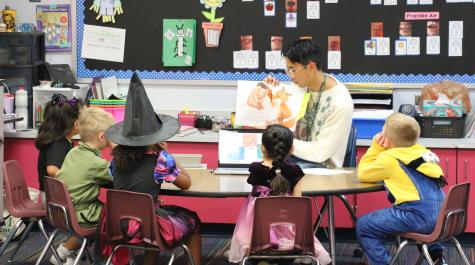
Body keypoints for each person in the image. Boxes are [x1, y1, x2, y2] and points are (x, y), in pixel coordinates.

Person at [100, 73, 201, 265]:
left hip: (117, 223)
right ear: (154, 138)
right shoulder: (160, 161)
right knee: (193, 220)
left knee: (154, 217)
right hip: (148, 226)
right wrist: (167, 154)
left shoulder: (116, 160)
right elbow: (186, 182)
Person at [228, 124, 331, 265]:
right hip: (290, 235)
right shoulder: (295, 171)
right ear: (292, 149)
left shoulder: (255, 169)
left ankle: (263, 259)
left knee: (246, 237)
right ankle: (282, 258)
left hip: (257, 235)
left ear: (262, 147)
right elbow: (298, 204)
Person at [356, 113, 447, 265]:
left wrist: (376, 147)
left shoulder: (390, 158)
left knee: (365, 225)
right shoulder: (424, 152)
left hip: (417, 216)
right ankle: (436, 255)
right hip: (442, 217)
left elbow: (363, 173)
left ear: (388, 140)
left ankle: (380, 261)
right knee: (428, 218)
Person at [264, 39, 353, 168]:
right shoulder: (301, 86)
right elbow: (285, 120)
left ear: (310, 67)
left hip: (321, 169)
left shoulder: (340, 103)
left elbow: (319, 153)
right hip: (292, 159)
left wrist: (283, 142)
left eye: (293, 70)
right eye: (287, 70)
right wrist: (273, 91)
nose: (290, 76)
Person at [52, 107, 116, 265]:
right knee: (115, 217)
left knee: (107, 212)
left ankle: (63, 252)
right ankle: (106, 259)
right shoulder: (96, 163)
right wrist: (116, 148)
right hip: (81, 213)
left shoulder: (74, 151)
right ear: (102, 137)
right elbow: (118, 175)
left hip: (61, 209)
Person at [35, 94, 83, 205]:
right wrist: (72, 181)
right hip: (53, 198)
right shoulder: (58, 143)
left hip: (51, 195)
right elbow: (52, 170)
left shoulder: (62, 140)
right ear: (75, 123)